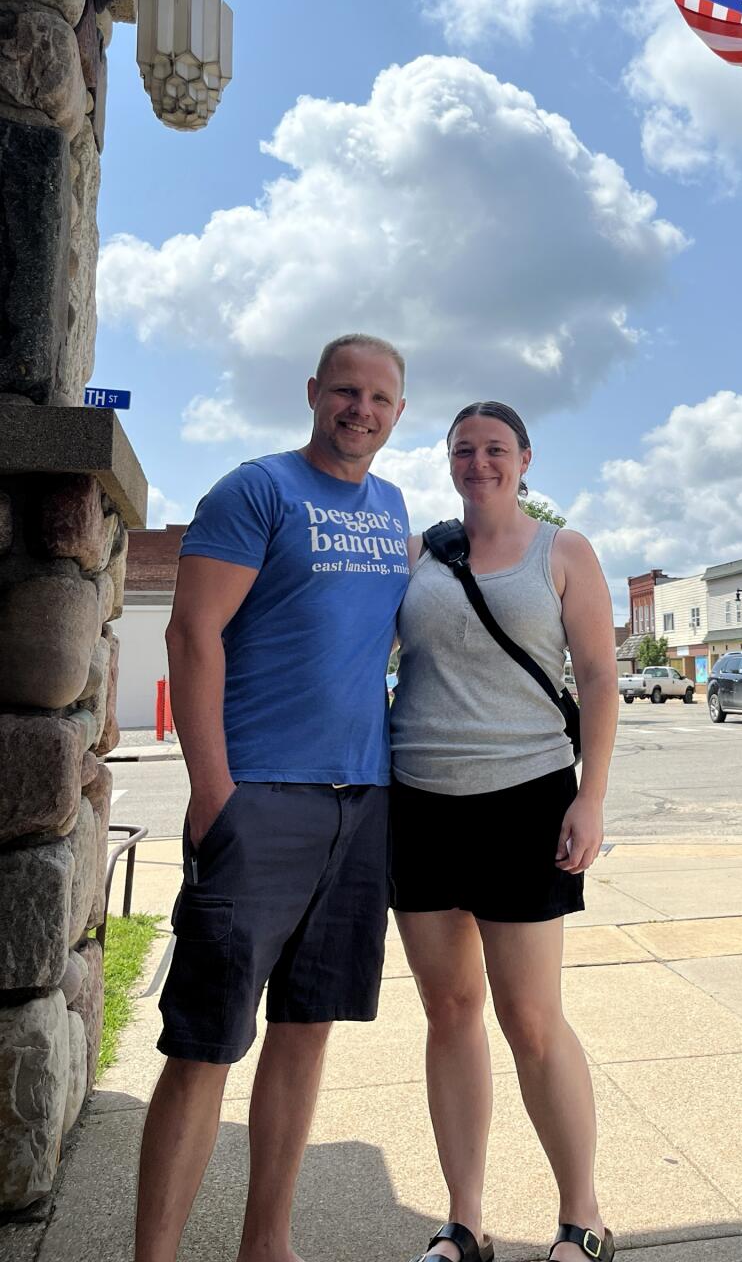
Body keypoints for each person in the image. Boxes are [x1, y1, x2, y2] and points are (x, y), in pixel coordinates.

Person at [135, 333, 411, 1262]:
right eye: (345, 391)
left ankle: (268, 1243)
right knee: (206, 1045)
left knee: (305, 1030)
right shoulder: (255, 490)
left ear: (397, 413)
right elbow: (190, 636)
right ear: (312, 393)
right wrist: (215, 796)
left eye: (378, 397)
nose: (359, 409)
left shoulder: (394, 508)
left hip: (360, 803)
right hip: (259, 799)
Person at [390, 401, 619, 1262]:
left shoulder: (562, 553)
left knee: (531, 1019)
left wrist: (590, 797)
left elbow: (598, 679)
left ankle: (582, 1217)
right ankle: (465, 1221)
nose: (478, 462)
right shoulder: (420, 554)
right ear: (448, 461)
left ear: (524, 458)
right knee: (449, 1012)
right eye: (463, 450)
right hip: (419, 803)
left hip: (526, 802)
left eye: (494, 449)